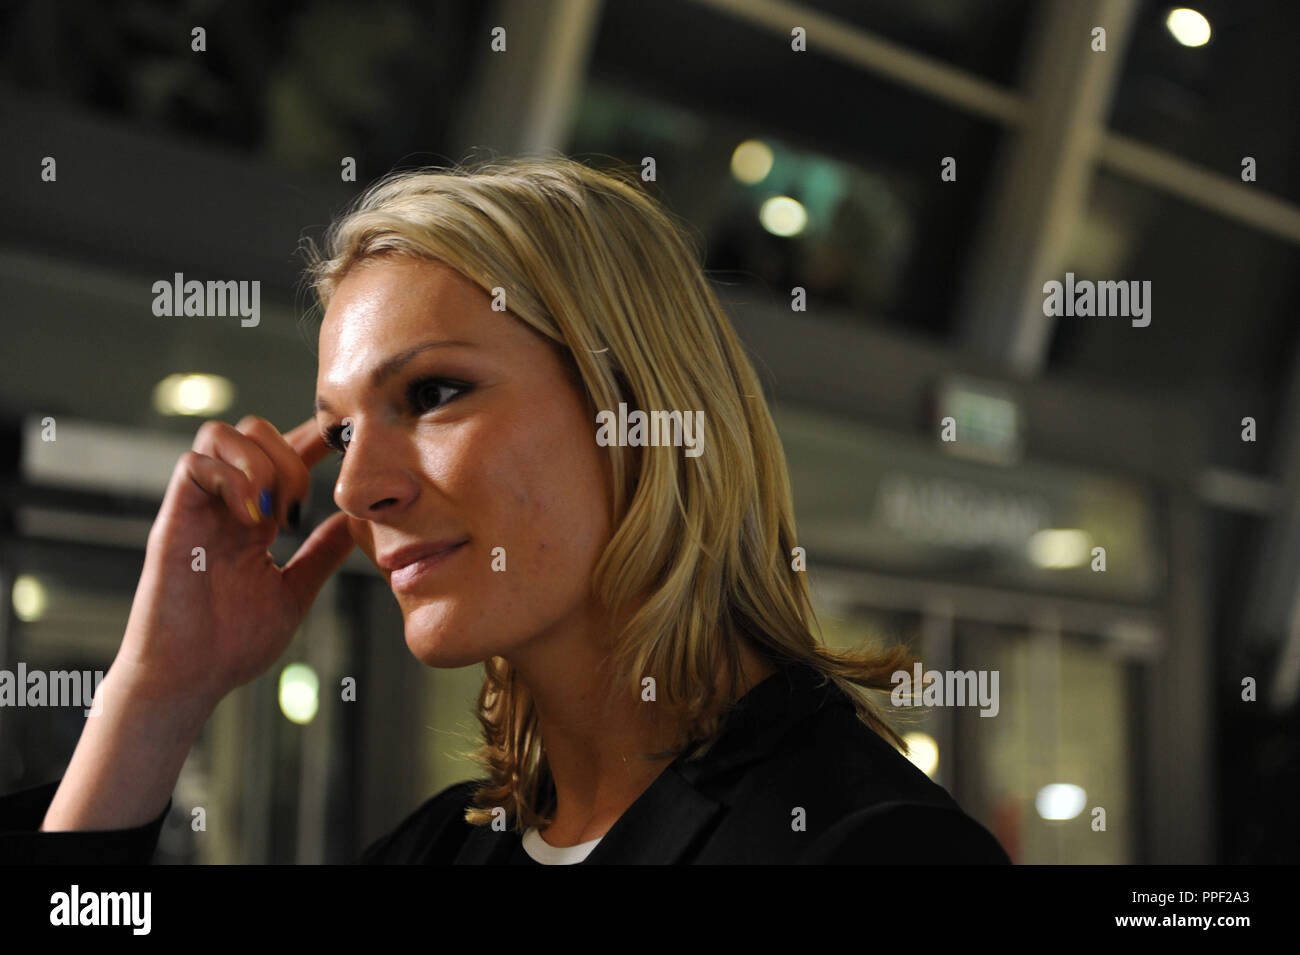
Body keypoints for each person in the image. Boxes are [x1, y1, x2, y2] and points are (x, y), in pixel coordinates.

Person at [0, 156, 1010, 864]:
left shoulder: (867, 844)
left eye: (433, 394)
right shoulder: (439, 847)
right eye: (341, 432)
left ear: (637, 405)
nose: (353, 489)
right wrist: (157, 694)